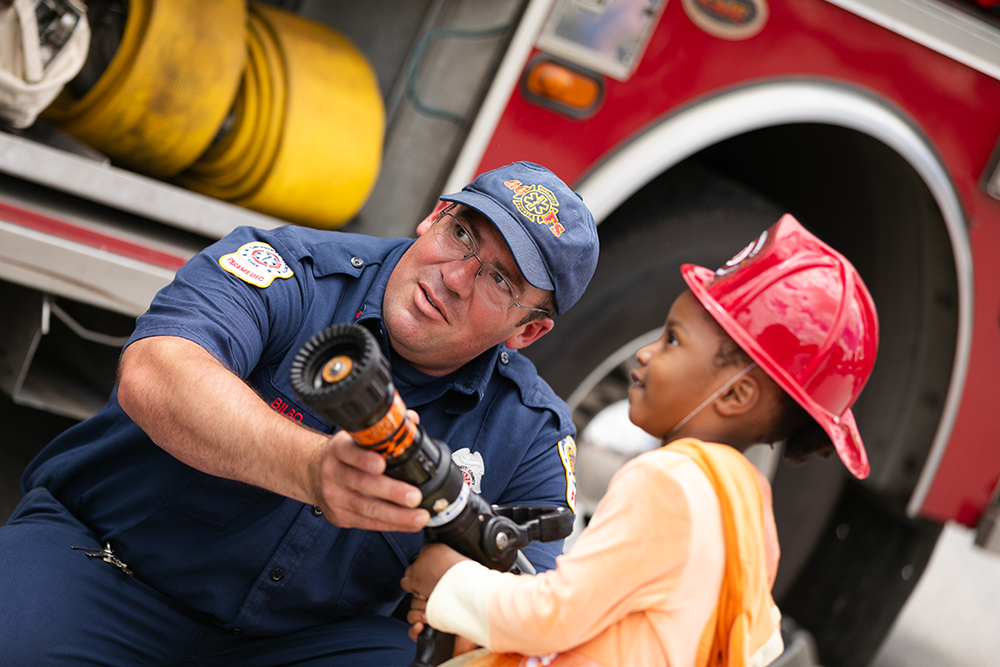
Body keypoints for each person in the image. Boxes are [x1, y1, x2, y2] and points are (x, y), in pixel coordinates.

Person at [0, 161, 599, 666]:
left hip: (291, 647)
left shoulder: (530, 433)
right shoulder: (293, 269)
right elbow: (156, 371)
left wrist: (467, 591)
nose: (455, 276)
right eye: (464, 234)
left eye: (498, 278)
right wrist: (312, 468)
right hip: (105, 571)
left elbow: (537, 615)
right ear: (434, 217)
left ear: (528, 331)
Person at [400, 213, 879, 667]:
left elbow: (556, 615)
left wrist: (450, 583)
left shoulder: (666, 482)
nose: (647, 353)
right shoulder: (749, 502)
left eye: (673, 340)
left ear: (736, 393)